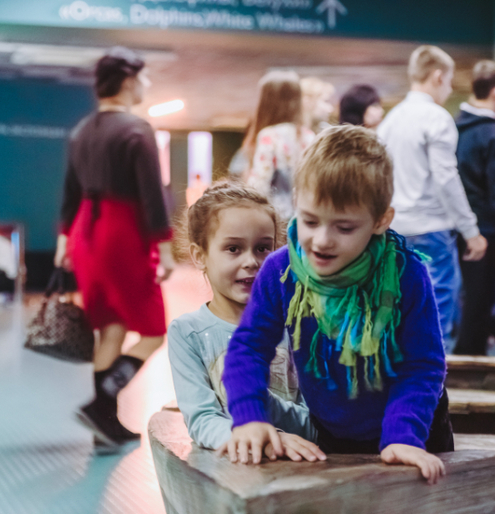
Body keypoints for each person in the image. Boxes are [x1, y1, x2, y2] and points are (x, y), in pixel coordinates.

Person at [219, 126, 452, 485]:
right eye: (310, 221)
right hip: (333, 429)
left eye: (344, 227)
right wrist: (249, 417)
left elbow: (422, 365)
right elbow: (249, 347)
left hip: (415, 429)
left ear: (381, 221)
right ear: (296, 201)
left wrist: (403, 436)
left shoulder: (406, 273)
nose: (322, 240)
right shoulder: (281, 271)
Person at [55, 47, 176, 449]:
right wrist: (166, 247)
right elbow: (152, 196)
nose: (146, 84)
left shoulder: (81, 131)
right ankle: (100, 404)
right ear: (127, 81)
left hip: (85, 234)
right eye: (143, 77)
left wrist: (63, 241)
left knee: (110, 328)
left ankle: (105, 425)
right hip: (122, 235)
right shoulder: (137, 129)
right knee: (154, 331)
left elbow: (70, 193)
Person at [168, 182, 321, 461]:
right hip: (236, 466)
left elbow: (316, 421)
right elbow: (202, 420)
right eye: (233, 249)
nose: (252, 261)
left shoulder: (296, 324)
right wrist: (262, 438)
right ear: (200, 256)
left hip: (304, 464)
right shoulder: (188, 332)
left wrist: (260, 401)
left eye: (263, 248)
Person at [377, 45, 487, 352]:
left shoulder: (390, 121)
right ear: (438, 76)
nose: (449, 89)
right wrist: (471, 230)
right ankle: (431, 379)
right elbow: (446, 178)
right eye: (449, 81)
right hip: (431, 231)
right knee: (434, 316)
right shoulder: (437, 118)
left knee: (395, 313)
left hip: (393, 230)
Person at [452, 60, 495, 355]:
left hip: (453, 226)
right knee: (479, 305)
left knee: (462, 303)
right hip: (485, 231)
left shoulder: (454, 127)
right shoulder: (494, 134)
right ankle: (470, 367)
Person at [246, 70, 315, 219]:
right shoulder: (309, 137)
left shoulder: (269, 136)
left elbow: (258, 187)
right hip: (305, 217)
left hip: (277, 219)